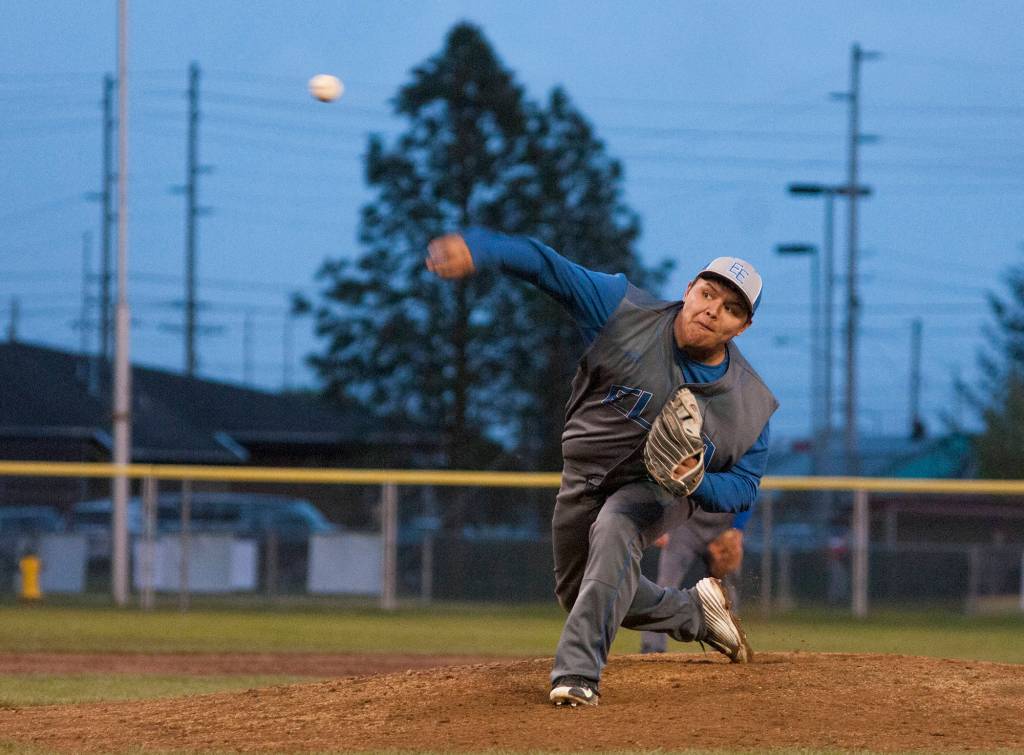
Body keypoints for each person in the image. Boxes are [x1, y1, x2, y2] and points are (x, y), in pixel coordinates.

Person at [425, 228, 777, 707]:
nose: (713, 309)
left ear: (743, 327)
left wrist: (697, 481)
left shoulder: (749, 404)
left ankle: (578, 674)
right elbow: (546, 265)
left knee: (617, 526)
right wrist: (481, 249)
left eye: (732, 308)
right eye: (708, 293)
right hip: (584, 474)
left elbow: (745, 485)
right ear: (689, 289)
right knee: (580, 592)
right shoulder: (621, 310)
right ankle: (695, 613)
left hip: (655, 490)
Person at [639, 507, 752, 654]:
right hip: (686, 523)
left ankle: (728, 646)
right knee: (666, 584)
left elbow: (748, 493)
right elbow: (671, 492)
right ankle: (652, 647)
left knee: (727, 589)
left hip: (724, 527)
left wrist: (737, 528)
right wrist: (660, 523)